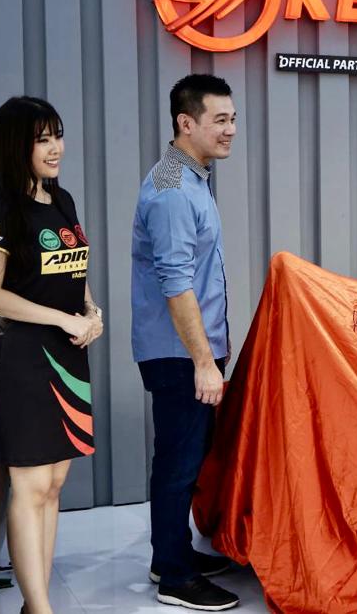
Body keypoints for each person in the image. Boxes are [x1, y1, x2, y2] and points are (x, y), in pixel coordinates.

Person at [0, 96, 103, 614]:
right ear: (15, 146)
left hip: (68, 356)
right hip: (24, 357)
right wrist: (61, 320)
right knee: (29, 484)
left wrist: (90, 310)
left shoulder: (61, 199)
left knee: (54, 483)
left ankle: (35, 604)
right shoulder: (0, 206)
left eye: (58, 136)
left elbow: (73, 268)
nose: (56, 148)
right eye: (42, 139)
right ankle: (41, 607)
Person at [131, 74, 239, 611]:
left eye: (233, 119)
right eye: (220, 120)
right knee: (178, 460)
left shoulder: (192, 176)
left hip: (191, 350)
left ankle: (169, 555)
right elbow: (176, 283)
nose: (231, 129)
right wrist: (203, 361)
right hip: (179, 354)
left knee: (186, 456)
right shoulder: (173, 189)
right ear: (186, 122)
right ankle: (174, 577)